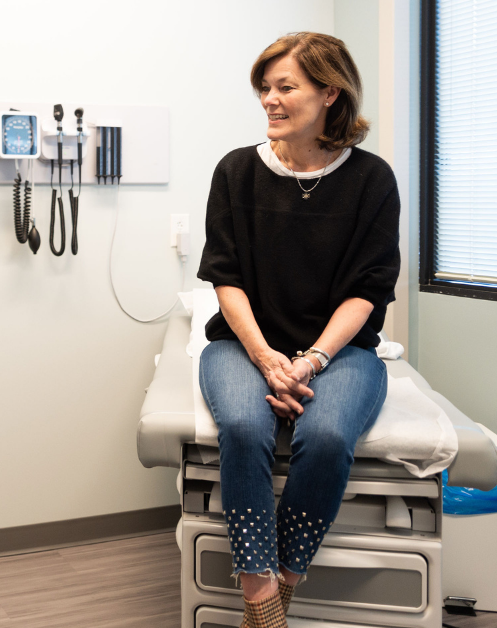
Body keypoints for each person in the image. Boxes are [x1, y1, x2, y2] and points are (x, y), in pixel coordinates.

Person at [196, 33, 400, 628]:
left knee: (329, 436)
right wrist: (266, 358)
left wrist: (309, 360)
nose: (270, 100)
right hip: (244, 343)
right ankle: (257, 594)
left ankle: (287, 577)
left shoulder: (371, 180)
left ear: (330, 92)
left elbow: (367, 290)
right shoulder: (236, 171)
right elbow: (225, 279)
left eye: (286, 87)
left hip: (340, 352)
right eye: (266, 88)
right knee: (242, 424)